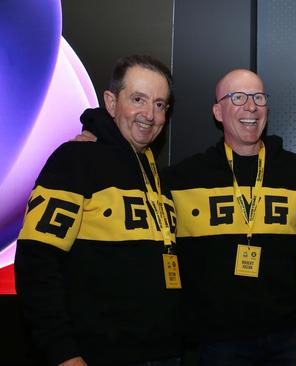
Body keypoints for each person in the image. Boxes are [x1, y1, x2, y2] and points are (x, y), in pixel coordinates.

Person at [165, 68, 296, 365]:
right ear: (218, 111)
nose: (251, 106)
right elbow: (131, 185)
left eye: (258, 97)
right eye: (238, 97)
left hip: (287, 338)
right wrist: (98, 143)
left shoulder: (295, 170)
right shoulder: (183, 178)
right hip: (215, 342)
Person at [15, 55, 182, 366]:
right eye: (138, 99)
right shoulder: (75, 160)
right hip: (98, 355)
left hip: (163, 353)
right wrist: (63, 353)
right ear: (111, 101)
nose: (150, 114)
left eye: (160, 104)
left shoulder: (157, 175)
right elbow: (36, 262)